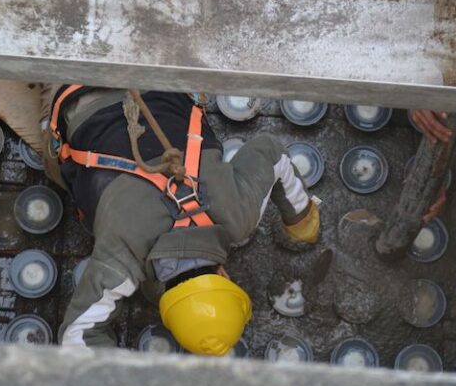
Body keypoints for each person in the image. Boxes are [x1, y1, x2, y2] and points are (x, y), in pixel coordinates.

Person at [39, 86, 320, 356]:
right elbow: (76, 337)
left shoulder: (238, 215)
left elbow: (272, 151)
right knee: (59, 172)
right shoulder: (122, 259)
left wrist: (301, 221)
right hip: (76, 95)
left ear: (224, 277)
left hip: (160, 79)